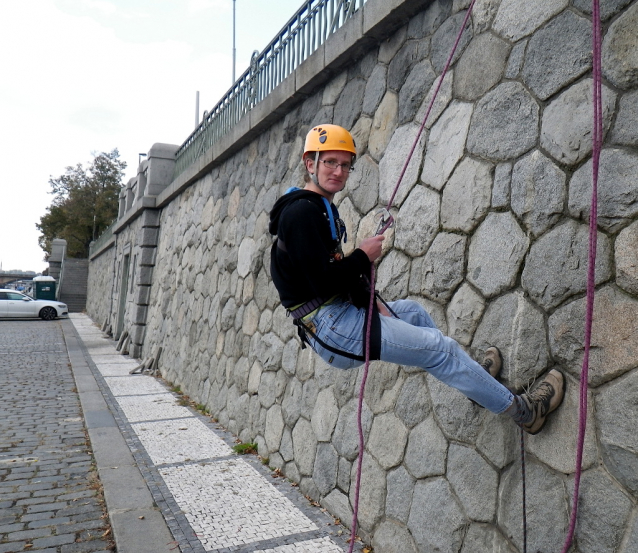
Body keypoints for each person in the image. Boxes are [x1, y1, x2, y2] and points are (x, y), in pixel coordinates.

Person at [269, 124, 564, 435]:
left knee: (414, 313)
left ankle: (480, 385)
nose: (339, 172)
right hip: (334, 327)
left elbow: (322, 274)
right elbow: (323, 282)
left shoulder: (315, 207)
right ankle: (526, 413)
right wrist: (362, 256)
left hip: (335, 319)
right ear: (310, 163)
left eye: (345, 164)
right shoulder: (302, 212)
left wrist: (371, 300)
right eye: (330, 162)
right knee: (442, 349)